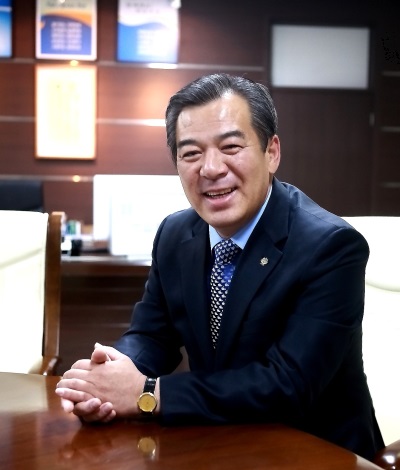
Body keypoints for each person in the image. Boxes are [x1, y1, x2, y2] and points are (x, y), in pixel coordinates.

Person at [56, 73, 384, 460]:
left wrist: (148, 394)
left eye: (230, 147)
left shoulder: (330, 246)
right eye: (191, 153)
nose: (211, 168)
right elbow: (152, 335)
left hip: (316, 452)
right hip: (218, 441)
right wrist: (111, 373)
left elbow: (288, 384)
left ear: (272, 152)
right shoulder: (176, 233)